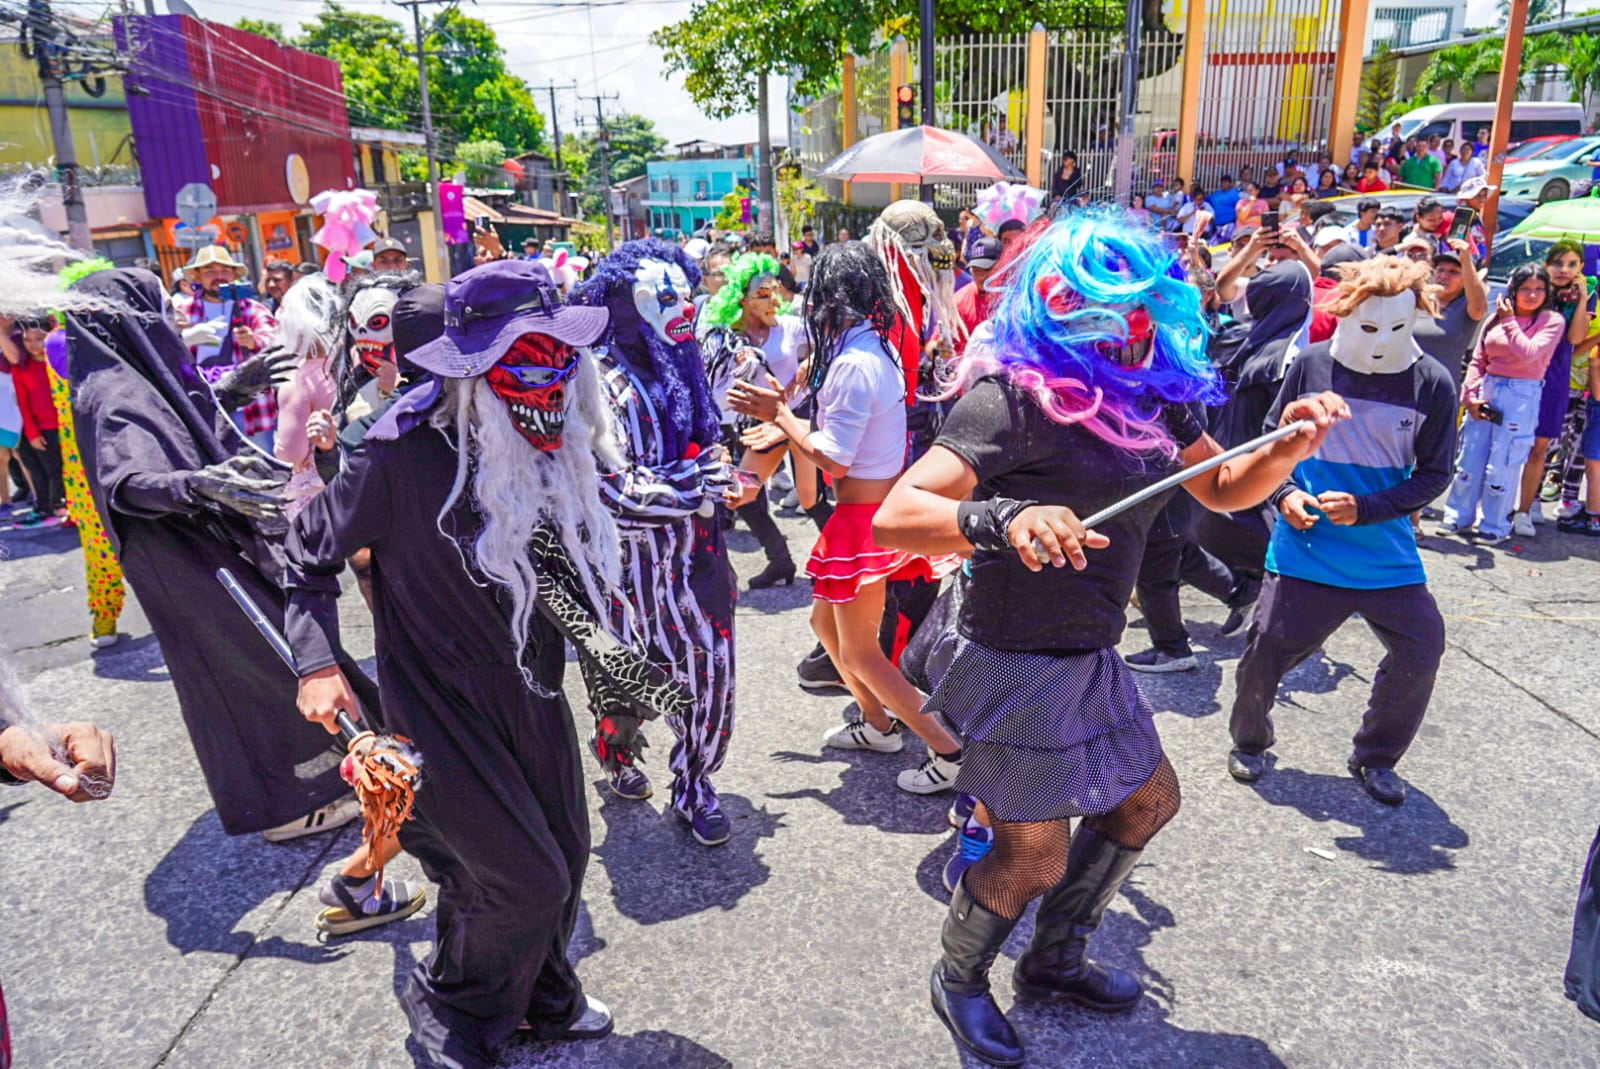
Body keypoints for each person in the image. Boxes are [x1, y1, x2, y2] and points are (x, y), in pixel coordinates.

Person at [869, 211, 1346, 1067]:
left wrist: (1288, 450)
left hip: (1087, 651)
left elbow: (1224, 484)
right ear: (1055, 303)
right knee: (1033, 851)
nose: (1123, 322)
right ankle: (959, 977)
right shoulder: (1012, 399)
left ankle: (1053, 959)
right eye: (1099, 302)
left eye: (1137, 303)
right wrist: (1006, 517)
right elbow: (898, 515)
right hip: (1012, 654)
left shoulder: (1152, 392)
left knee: (1145, 800)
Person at [287, 259, 647, 1069]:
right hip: (438, 700)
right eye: (526, 357)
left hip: (532, 684)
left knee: (565, 852)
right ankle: (450, 1003)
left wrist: (615, 676)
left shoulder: (550, 441)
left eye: (559, 354)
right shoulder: (396, 453)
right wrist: (315, 663)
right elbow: (305, 551)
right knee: (519, 876)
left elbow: (569, 573)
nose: (549, 376)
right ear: (474, 368)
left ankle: (542, 995)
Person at [64, 267, 372, 842]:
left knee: (270, 664)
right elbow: (126, 482)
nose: (171, 317)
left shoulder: (125, 375)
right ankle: (286, 806)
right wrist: (200, 486)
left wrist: (230, 389)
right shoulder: (111, 392)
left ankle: (313, 784)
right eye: (159, 307)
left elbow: (172, 419)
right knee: (257, 672)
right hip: (185, 561)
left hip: (199, 549)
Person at [728, 242, 964, 795]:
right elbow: (834, 446)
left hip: (865, 519)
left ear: (830, 299)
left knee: (860, 651)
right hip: (864, 513)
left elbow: (833, 456)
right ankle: (878, 725)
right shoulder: (867, 349)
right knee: (824, 626)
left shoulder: (856, 361)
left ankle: (951, 750)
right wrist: (786, 424)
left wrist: (781, 416)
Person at [1228, 255, 1455, 806]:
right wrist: (1284, 494)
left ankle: (1376, 757)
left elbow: (1435, 474)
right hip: (1306, 548)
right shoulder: (1311, 363)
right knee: (1265, 650)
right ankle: (1250, 742)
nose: (1380, 343)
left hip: (1386, 555)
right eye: (1369, 327)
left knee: (1422, 647)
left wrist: (1369, 507)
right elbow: (1270, 437)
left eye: (1396, 326)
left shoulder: (1433, 382)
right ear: (1347, 312)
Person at [570, 239, 739, 845]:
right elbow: (610, 491)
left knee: (711, 676)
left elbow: (709, 440)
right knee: (627, 686)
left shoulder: (685, 365)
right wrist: (696, 483)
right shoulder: (597, 387)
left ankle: (694, 783)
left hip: (698, 566)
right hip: (627, 577)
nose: (684, 309)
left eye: (686, 295)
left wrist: (723, 467)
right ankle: (616, 750)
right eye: (664, 299)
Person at [699, 251, 815, 588]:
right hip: (754, 425)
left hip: (797, 419)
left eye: (774, 290)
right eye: (763, 293)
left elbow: (827, 348)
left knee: (813, 498)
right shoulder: (726, 335)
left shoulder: (790, 326)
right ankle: (780, 560)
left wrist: (810, 365)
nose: (773, 300)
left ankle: (847, 562)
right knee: (743, 495)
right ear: (743, 299)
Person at [1441, 263, 1565, 543]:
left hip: (1521, 393)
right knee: (1470, 458)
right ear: (1513, 290)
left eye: (1539, 289)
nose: (1532, 295)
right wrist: (1470, 395)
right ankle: (1457, 516)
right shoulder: (1494, 318)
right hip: (1488, 388)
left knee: (1504, 463)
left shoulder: (1551, 321)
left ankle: (1495, 525)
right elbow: (1478, 359)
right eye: (1525, 289)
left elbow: (1528, 353)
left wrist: (1510, 321)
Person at [1515, 240, 1593, 536]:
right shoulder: (1535, 290)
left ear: (1581, 268)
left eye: (1572, 264)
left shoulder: (1584, 296)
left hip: (1556, 377)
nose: (1564, 270)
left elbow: (1575, 340)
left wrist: (1582, 299)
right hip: (1522, 372)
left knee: (1542, 446)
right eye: (1558, 263)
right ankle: (1499, 504)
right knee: (1510, 443)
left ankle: (1528, 505)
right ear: (1546, 265)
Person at [173, 246, 280, 450]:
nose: (219, 276)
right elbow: (164, 348)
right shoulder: (182, 312)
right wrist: (185, 338)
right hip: (203, 406)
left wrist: (254, 341)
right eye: (210, 271)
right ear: (197, 276)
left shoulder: (251, 308)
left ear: (233, 275)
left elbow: (275, 341)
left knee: (263, 460)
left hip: (249, 408)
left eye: (224, 271)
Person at [0, 316, 64, 522]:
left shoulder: (58, 362)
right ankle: (46, 507)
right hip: (35, 426)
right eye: (28, 340)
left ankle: (57, 506)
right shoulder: (22, 368)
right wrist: (32, 431)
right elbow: (24, 402)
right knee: (36, 466)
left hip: (61, 425)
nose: (32, 344)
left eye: (38, 339)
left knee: (57, 469)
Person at [1413, 240, 1489, 392]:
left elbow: (1479, 306)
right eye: (1440, 270)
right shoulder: (1419, 300)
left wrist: (1466, 259)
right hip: (1405, 385)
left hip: (1440, 391)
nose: (1444, 276)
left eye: (1453, 272)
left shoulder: (1466, 306)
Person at [954, 236, 1004, 339]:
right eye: (977, 270)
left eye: (988, 269)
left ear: (1002, 266)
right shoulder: (958, 303)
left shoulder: (1016, 299)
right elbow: (936, 342)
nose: (981, 277)